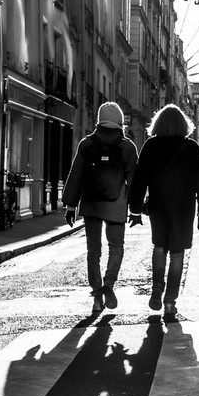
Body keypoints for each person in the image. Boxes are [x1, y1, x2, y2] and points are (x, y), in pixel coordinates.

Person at [127, 103, 199, 318]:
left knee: (159, 246)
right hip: (184, 207)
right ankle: (170, 301)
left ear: (159, 123)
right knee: (178, 252)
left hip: (158, 204)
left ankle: (156, 288)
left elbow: (139, 180)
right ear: (183, 124)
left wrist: (135, 210)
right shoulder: (190, 147)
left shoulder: (151, 145)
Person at [62, 101, 139, 313]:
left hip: (91, 203)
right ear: (120, 122)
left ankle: (97, 296)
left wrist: (70, 206)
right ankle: (109, 284)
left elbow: (76, 175)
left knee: (93, 250)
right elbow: (134, 180)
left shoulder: (87, 145)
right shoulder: (127, 147)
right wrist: (136, 208)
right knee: (116, 247)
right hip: (116, 204)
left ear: (99, 120)